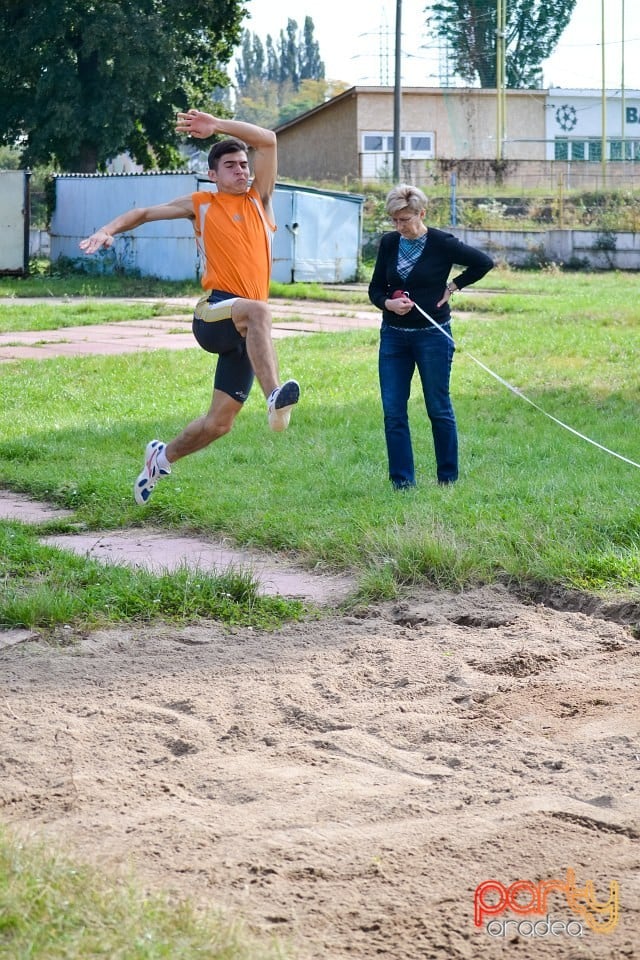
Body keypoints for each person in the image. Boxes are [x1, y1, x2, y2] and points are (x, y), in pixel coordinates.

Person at [79, 109, 300, 505]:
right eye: (230, 166)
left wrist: (218, 125)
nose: (241, 171)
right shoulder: (201, 203)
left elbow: (268, 138)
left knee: (219, 424)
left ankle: (160, 459)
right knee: (261, 311)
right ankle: (274, 398)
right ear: (213, 174)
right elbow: (145, 213)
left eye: (244, 165)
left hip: (245, 330)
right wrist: (107, 230)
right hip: (213, 314)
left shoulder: (260, 202)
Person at [368, 183, 494, 489]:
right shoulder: (389, 243)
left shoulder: (442, 243)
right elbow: (375, 289)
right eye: (395, 220)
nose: (400, 226)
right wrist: (388, 303)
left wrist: (453, 287)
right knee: (393, 410)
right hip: (394, 338)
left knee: (438, 407)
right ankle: (402, 483)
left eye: (406, 219)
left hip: (433, 337)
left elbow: (483, 263)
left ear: (422, 213)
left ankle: (447, 479)